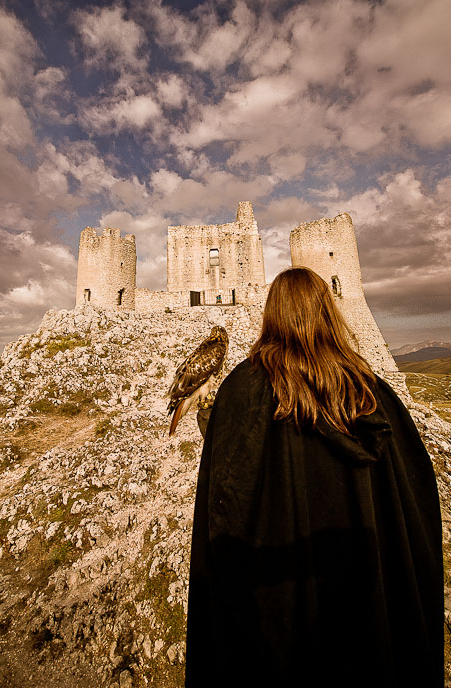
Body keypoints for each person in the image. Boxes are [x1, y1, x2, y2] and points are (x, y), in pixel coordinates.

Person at [186, 267, 443, 688]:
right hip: (364, 610)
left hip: (277, 618)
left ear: (272, 317)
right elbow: (414, 504)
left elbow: (225, 505)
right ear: (329, 312)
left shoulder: (240, 390)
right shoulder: (371, 393)